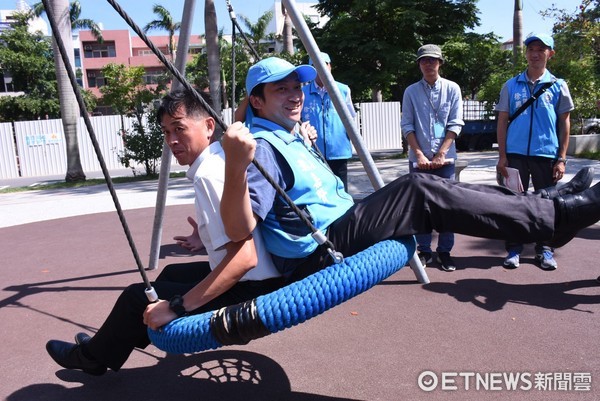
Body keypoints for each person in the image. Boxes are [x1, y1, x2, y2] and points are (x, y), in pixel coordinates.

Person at [219, 56, 598, 283]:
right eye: (281, 90)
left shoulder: (286, 132)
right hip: (321, 248)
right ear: (257, 100)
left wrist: (297, 133)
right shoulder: (259, 149)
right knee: (419, 189)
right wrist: (237, 165)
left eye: (296, 87)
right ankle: (554, 215)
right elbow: (239, 230)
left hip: (341, 221)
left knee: (449, 191)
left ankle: (544, 203)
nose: (296, 95)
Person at [45, 89, 282, 376]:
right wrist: (205, 236)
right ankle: (120, 338)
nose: (172, 140)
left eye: (180, 129)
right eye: (166, 131)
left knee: (136, 297)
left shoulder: (209, 176)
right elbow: (235, 228)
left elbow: (245, 258)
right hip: (261, 277)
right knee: (171, 274)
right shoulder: (221, 156)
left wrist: (177, 307)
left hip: (251, 290)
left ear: (209, 126)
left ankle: (91, 357)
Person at [496, 33, 575, 271]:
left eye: (541, 49)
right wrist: (502, 156)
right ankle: (513, 248)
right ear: (526, 53)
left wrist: (561, 158)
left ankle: (545, 249)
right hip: (515, 154)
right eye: (531, 49)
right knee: (514, 203)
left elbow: (565, 123)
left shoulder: (559, 85)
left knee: (546, 205)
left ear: (550, 53)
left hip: (545, 155)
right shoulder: (511, 85)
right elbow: (501, 121)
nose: (535, 53)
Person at [401, 44, 464, 272]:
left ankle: (445, 251)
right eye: (424, 60)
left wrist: (441, 153)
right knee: (420, 207)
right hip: (418, 159)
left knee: (447, 206)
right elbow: (407, 124)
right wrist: (418, 153)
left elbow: (456, 123)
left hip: (445, 159)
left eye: (433, 60)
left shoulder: (452, 88)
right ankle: (424, 250)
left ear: (440, 63)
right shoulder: (411, 91)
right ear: (419, 64)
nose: (428, 64)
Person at [302, 52, 356, 191]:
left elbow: (351, 118)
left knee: (341, 190)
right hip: (312, 152)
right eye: (316, 66)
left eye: (324, 65)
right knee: (318, 189)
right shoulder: (302, 92)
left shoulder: (343, 90)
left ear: (330, 66)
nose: (321, 69)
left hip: (338, 151)